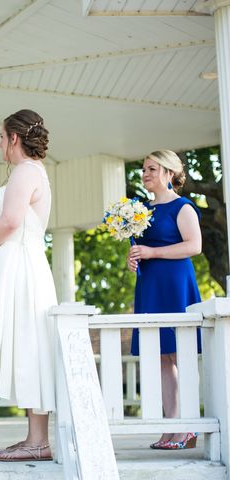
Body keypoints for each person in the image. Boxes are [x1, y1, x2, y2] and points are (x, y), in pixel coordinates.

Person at [0, 109, 57, 462]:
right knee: (24, 346)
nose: (0, 144)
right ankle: (34, 437)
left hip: (21, 269)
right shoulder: (31, 173)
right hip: (18, 263)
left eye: (1, 137)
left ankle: (39, 442)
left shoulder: (25, 172)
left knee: (31, 345)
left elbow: (12, 221)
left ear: (14, 139)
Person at [127, 149, 202, 450]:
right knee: (159, 357)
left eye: (152, 169)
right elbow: (139, 246)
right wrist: (133, 258)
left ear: (169, 173)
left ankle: (188, 425)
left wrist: (152, 252)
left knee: (178, 354)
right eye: (144, 169)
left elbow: (194, 246)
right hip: (150, 286)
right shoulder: (138, 210)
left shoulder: (182, 207)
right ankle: (170, 426)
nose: (145, 174)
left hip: (175, 284)